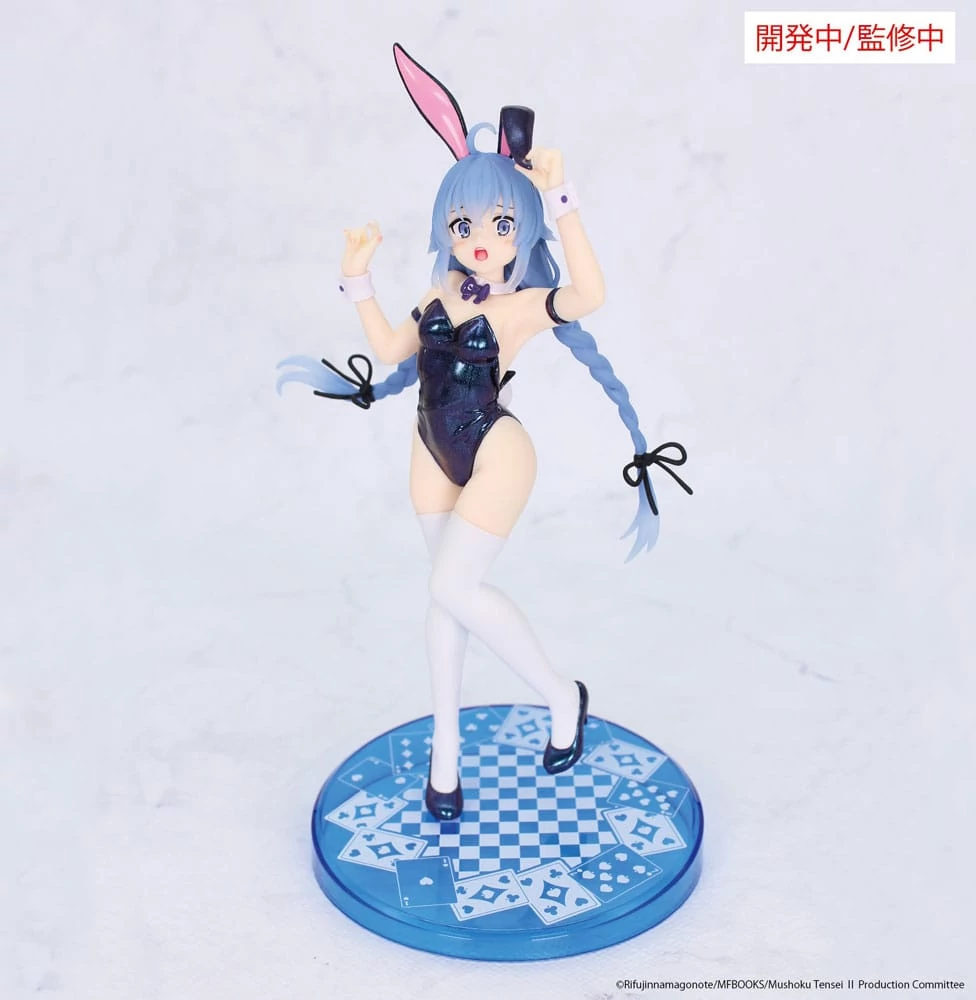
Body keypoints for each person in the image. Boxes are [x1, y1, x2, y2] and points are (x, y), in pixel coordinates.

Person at [277, 44, 692, 821]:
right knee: (448, 600)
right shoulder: (438, 291)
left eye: (501, 224)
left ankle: (561, 696)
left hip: (496, 447)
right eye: (464, 221)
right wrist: (357, 279)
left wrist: (561, 197)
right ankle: (446, 762)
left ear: (520, 229)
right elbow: (391, 351)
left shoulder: (520, 308)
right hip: (429, 446)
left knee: (450, 587)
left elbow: (591, 293)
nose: (480, 238)